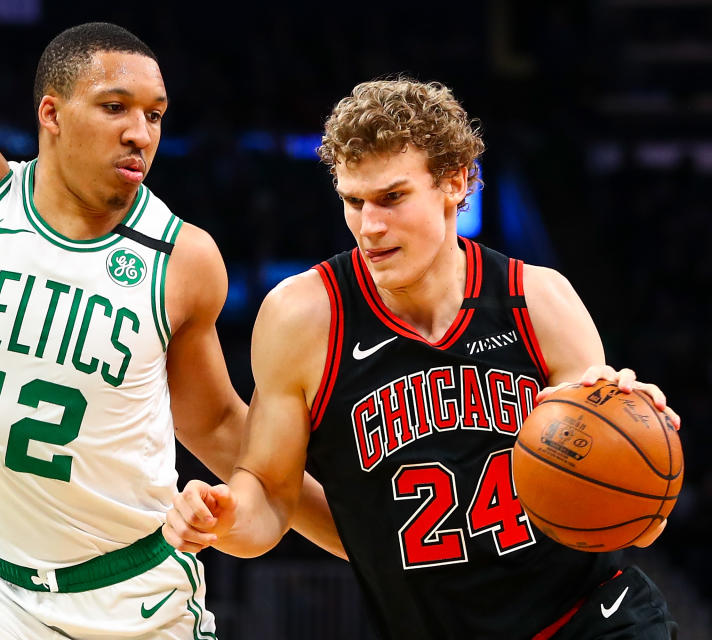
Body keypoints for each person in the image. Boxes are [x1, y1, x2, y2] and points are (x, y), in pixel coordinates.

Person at [0, 4, 344, 639]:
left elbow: (217, 423)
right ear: (51, 113)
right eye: (115, 107)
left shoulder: (181, 258)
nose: (141, 132)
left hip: (128, 596)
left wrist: (365, 540)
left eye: (154, 114)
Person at [164, 78, 681, 639]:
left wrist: (641, 441)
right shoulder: (305, 317)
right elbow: (266, 494)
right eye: (353, 201)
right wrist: (225, 518)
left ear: (456, 182)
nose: (370, 225)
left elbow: (625, 514)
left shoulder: (539, 301)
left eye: (392, 197)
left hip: (593, 619)